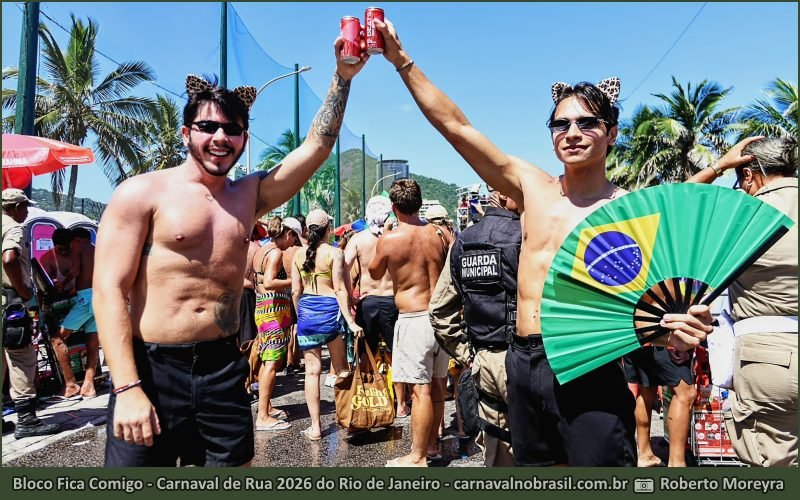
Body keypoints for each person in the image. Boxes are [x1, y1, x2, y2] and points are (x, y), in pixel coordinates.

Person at [375, 18, 713, 466]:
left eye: (587, 123)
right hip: (522, 361)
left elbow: (652, 300)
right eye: (561, 124)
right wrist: (401, 61)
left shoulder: (631, 210)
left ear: (611, 133)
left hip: (588, 367)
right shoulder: (530, 187)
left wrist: (677, 330)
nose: (571, 132)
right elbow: (456, 127)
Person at [92, 40, 366, 466]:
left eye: (233, 129)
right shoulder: (141, 194)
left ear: (243, 136)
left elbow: (317, 147)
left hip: (222, 366)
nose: (221, 138)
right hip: (152, 367)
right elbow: (108, 289)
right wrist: (127, 388)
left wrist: (342, 77)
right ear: (186, 133)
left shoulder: (249, 196)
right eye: (207, 127)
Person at [689, 136, 798, 467]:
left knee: (774, 464)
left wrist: (719, 166)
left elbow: (674, 205)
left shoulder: (743, 216)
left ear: (750, 174)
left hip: (767, 358)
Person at [429, 186, 520, 466]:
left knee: (496, 451)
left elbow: (439, 310)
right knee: (537, 449)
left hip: (482, 360)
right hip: (526, 359)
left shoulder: (464, 241)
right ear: (505, 195)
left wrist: (467, 354)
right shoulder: (525, 236)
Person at [368, 178, 453, 467]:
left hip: (414, 318)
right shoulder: (441, 234)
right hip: (441, 318)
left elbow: (375, 273)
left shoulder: (390, 239)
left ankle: (417, 457)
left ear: (393, 207)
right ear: (420, 203)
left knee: (421, 390)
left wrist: (386, 237)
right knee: (438, 386)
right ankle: (432, 447)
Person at [291, 209, 363, 441]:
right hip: (330, 312)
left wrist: (299, 315)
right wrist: (351, 321)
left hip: (308, 314)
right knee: (341, 370)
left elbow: (295, 291)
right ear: (327, 229)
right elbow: (340, 290)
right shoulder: (335, 253)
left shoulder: (298, 255)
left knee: (312, 373)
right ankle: (347, 419)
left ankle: (315, 427)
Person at [2, 188, 61, 439]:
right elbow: (9, 258)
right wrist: (24, 290)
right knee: (22, 359)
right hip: (11, 305)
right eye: (24, 207)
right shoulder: (13, 228)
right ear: (15, 207)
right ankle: (27, 420)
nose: (26, 212)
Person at [344, 195, 407, 416]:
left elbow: (342, 266)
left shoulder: (358, 240)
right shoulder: (395, 238)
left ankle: (367, 396)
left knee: (365, 354)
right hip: (391, 301)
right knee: (396, 354)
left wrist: (349, 295)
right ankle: (401, 404)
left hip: (368, 302)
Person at [252, 216, 299, 431]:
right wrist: (295, 280)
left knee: (266, 360)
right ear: (287, 233)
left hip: (263, 308)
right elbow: (270, 282)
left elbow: (258, 281)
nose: (293, 243)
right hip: (273, 313)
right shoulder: (276, 253)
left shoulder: (261, 249)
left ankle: (266, 406)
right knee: (272, 362)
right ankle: (263, 417)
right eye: (294, 238)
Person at [623, 346, 696, 466]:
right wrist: (674, 342)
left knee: (646, 389)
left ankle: (645, 454)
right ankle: (677, 463)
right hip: (662, 339)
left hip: (636, 339)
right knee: (686, 393)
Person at [281, 216, 304, 375]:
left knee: (288, 327)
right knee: (296, 327)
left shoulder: (280, 252)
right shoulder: (299, 251)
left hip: (283, 291)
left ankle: (290, 360)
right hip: (297, 290)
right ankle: (293, 359)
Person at [238, 222, 264, 346]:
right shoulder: (256, 249)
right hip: (246, 294)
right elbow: (260, 276)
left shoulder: (228, 245)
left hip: (228, 294)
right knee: (247, 338)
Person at [39, 228, 77, 294]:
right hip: (59, 297)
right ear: (54, 245)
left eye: (67, 248)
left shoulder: (79, 254)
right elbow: (43, 286)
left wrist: (78, 288)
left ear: (72, 243)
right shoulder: (47, 258)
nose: (64, 252)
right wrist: (53, 285)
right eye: (60, 249)